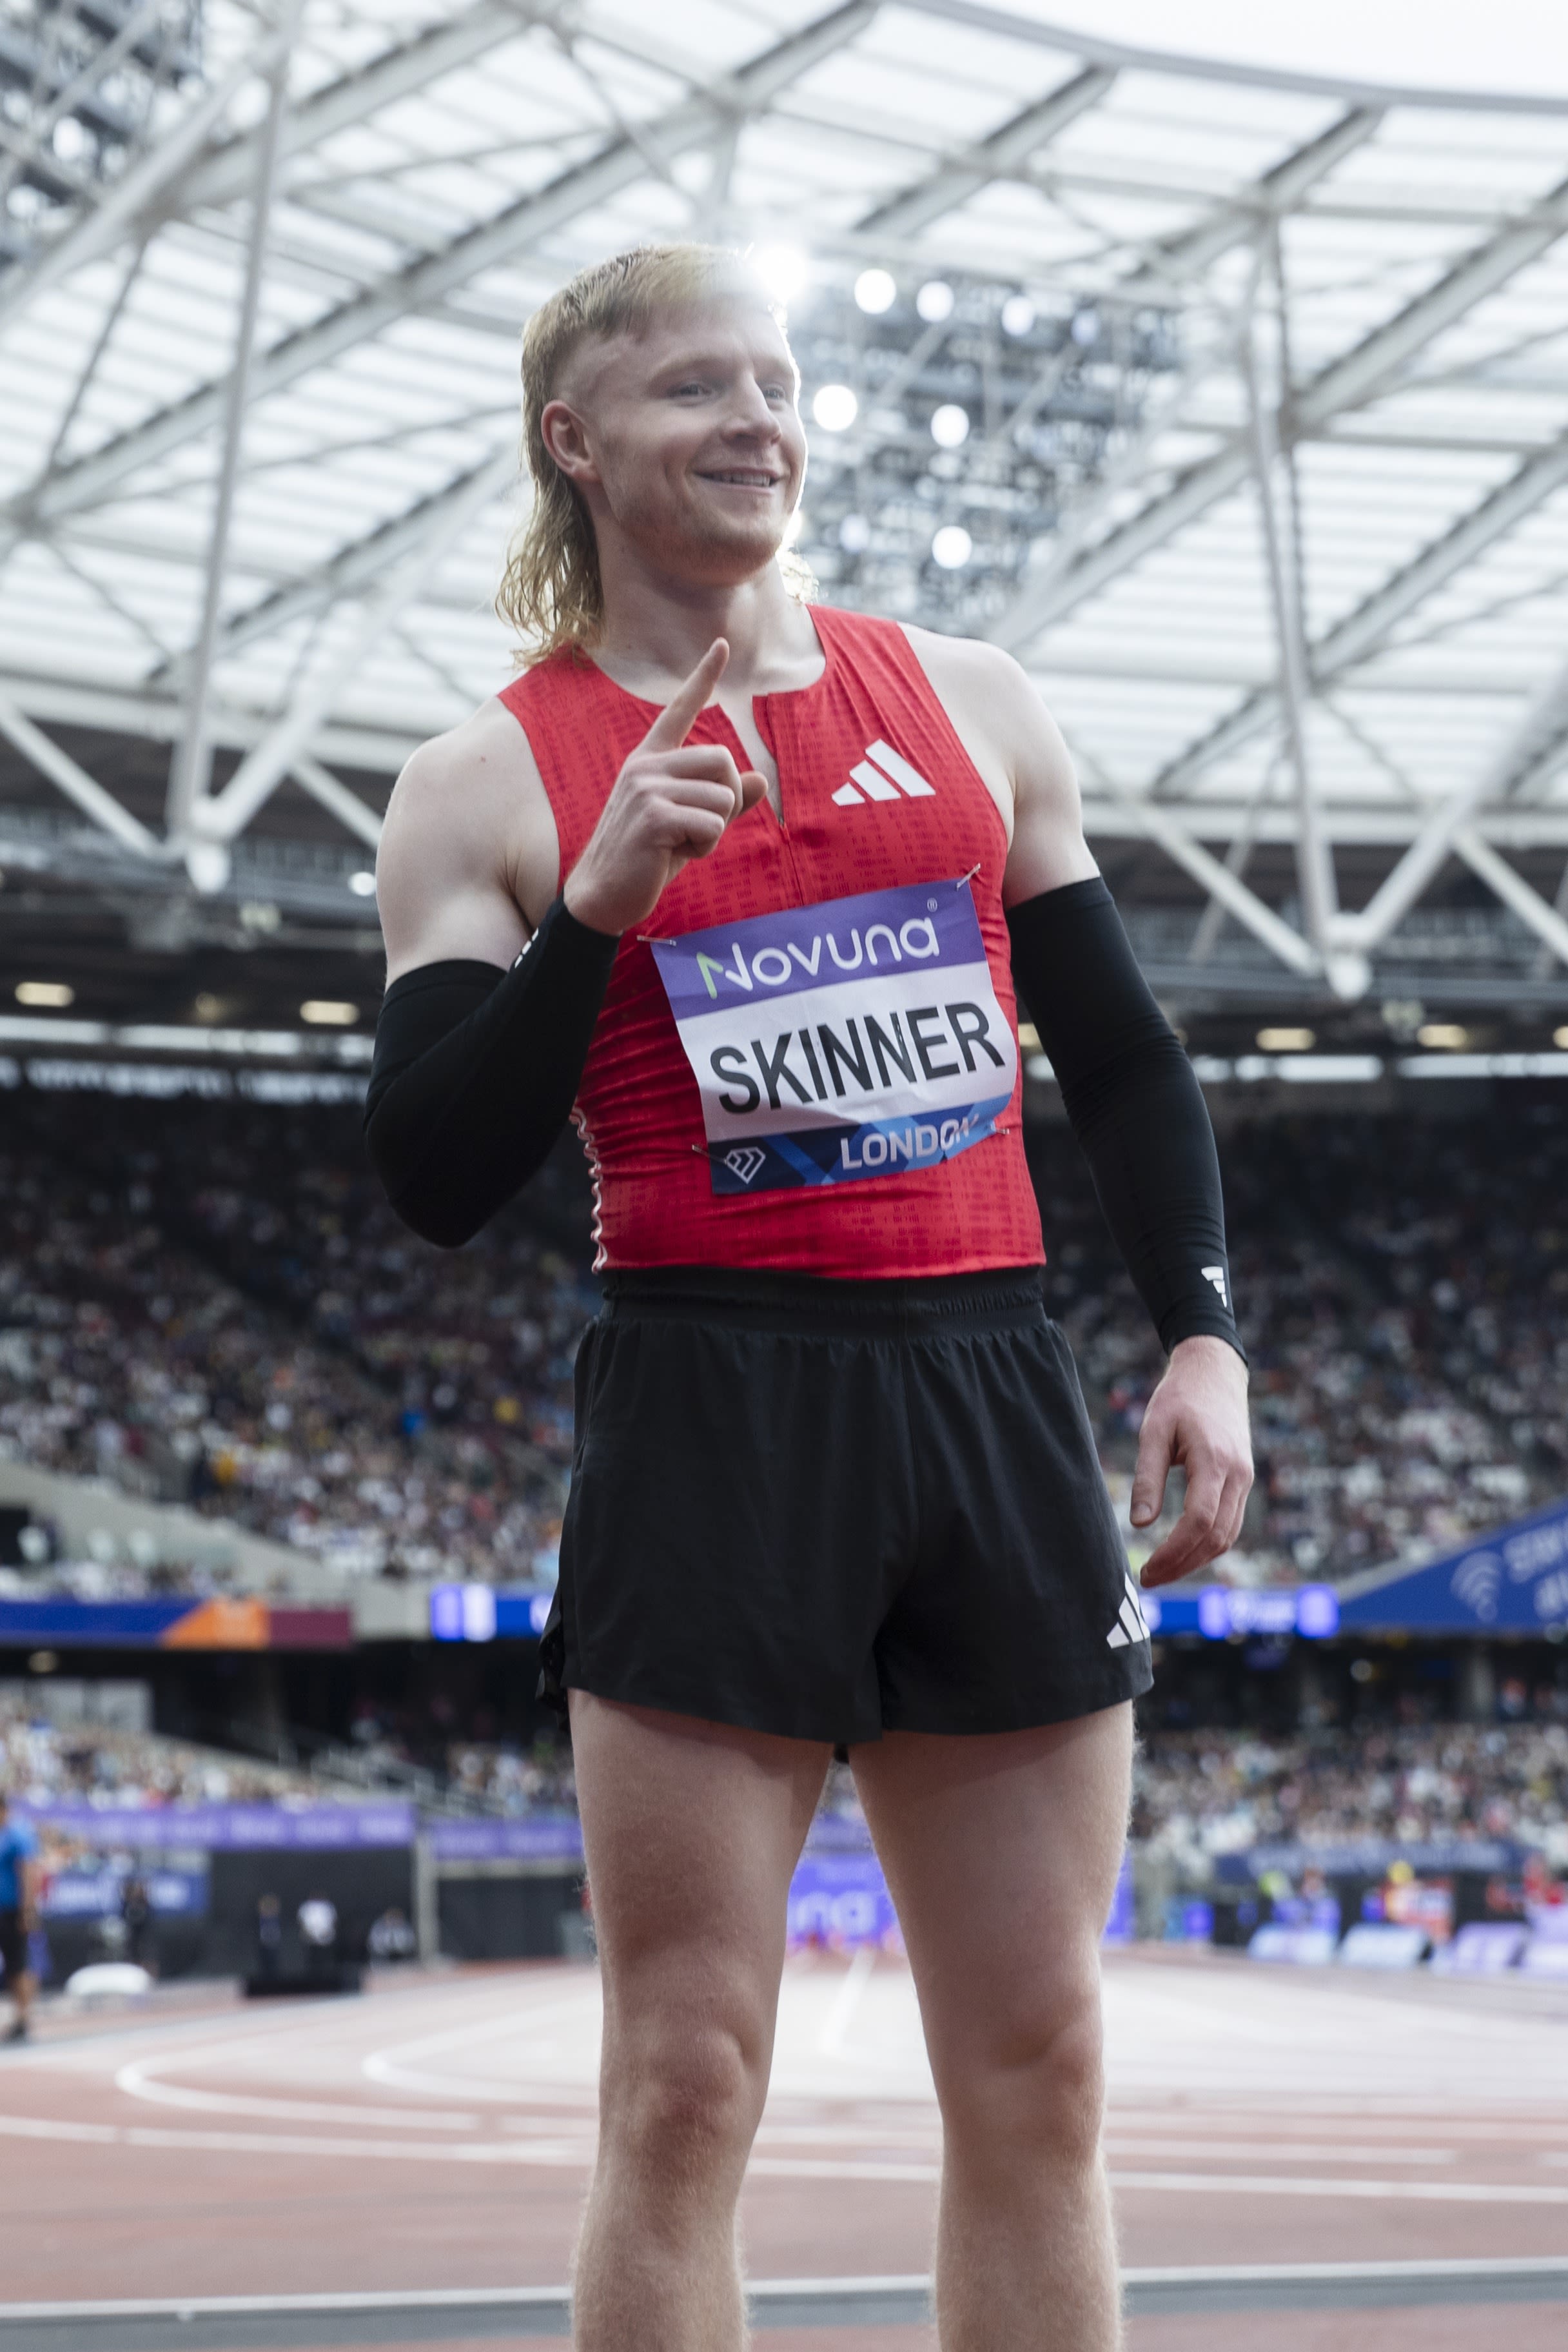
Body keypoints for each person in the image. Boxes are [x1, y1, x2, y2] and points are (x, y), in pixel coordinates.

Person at [366, 244, 1253, 2351]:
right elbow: (435, 1168)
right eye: (691, 389)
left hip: (990, 1382)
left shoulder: (964, 695)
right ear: (574, 442)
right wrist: (599, 903)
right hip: (709, 1409)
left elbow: (1121, 1058)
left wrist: (1201, 1325)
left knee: (1040, 2070)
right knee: (682, 2083)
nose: (755, 417)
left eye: (772, 381)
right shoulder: (484, 781)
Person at [0, 1793, 39, 2044]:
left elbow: (27, 1873)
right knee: (12, 1967)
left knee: (18, 1965)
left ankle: (24, 2018)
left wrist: (27, 1911)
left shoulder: (18, 1834)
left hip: (13, 1910)